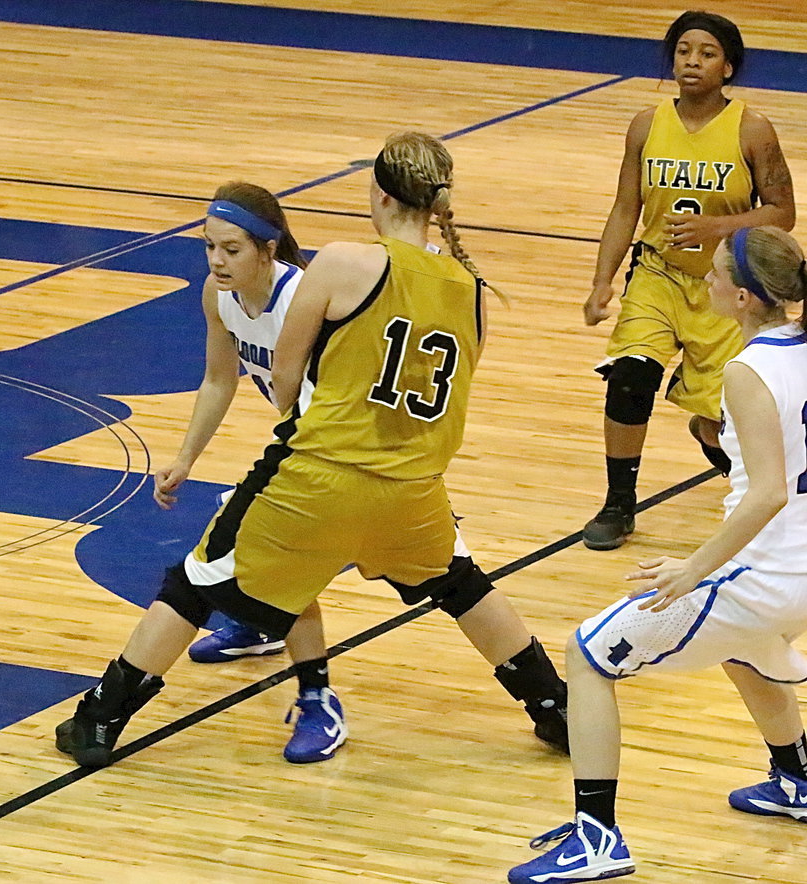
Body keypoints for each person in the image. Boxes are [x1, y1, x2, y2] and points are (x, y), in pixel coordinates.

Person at [55, 131, 568, 770]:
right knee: (461, 583)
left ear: (378, 195)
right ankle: (554, 708)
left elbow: (291, 377)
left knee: (193, 581)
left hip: (322, 471)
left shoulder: (342, 264)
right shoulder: (473, 290)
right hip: (414, 480)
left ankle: (98, 718)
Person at [511, 227, 807, 883]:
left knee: (587, 656)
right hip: (801, 571)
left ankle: (598, 840)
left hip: (759, 574)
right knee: (746, 654)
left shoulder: (748, 369)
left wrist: (693, 567)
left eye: (716, 271)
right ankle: (796, 780)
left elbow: (767, 495)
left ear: (741, 293)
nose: (704, 279)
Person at [581, 10, 795, 551]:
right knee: (629, 378)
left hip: (727, 286)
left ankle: (763, 495)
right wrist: (601, 281)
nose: (692, 62)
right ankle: (618, 503)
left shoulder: (751, 128)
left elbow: (782, 211)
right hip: (656, 272)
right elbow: (625, 205)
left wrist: (717, 226)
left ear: (728, 67)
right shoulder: (645, 123)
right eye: (683, 51)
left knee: (719, 421)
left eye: (706, 53)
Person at [153, 181, 350, 763]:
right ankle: (262, 624)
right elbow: (220, 379)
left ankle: (319, 700)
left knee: (283, 555)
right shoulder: (219, 297)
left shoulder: (302, 298)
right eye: (209, 246)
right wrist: (185, 457)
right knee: (256, 543)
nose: (216, 260)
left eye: (231, 249)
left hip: (344, 452)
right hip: (300, 444)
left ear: (268, 248)